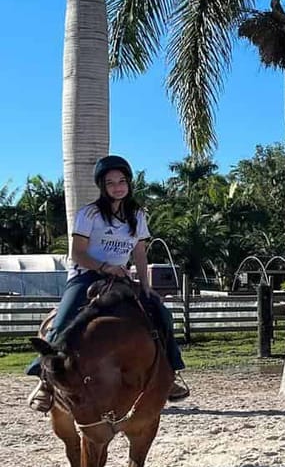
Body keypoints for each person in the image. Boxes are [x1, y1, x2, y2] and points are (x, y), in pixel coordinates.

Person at [26, 155, 189, 411]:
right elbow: (77, 253)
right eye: (110, 183)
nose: (117, 187)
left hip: (120, 277)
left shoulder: (137, 215)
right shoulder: (89, 213)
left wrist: (145, 285)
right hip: (87, 274)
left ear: (128, 183)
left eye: (121, 181)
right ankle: (45, 380)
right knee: (63, 320)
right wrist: (104, 267)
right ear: (102, 186)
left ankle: (172, 373)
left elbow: (140, 253)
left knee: (161, 314)